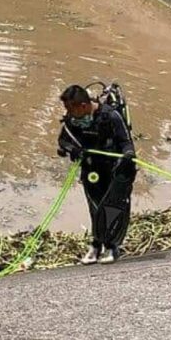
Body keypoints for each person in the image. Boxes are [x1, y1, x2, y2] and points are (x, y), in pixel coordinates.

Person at [57, 84, 137, 264]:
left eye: (70, 108)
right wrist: (73, 150)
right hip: (92, 169)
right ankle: (96, 244)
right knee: (95, 206)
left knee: (112, 207)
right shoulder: (72, 121)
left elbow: (126, 142)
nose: (68, 112)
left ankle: (111, 246)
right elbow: (63, 141)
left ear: (83, 106)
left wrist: (128, 155)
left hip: (115, 169)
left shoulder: (110, 116)